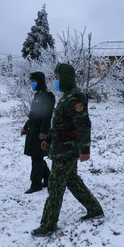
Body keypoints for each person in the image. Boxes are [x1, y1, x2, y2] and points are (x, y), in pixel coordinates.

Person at [31, 63, 104, 237]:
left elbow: (83, 124)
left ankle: (48, 224)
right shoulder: (66, 96)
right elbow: (60, 124)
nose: (55, 81)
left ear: (66, 78)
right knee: (72, 180)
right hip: (61, 147)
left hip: (67, 150)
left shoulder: (75, 97)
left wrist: (85, 149)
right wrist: (48, 139)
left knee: (55, 186)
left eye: (57, 78)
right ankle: (94, 209)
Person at [21, 71, 55, 194]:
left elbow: (47, 115)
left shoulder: (48, 95)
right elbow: (33, 114)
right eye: (31, 81)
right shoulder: (38, 95)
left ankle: (36, 184)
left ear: (40, 81)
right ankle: (47, 178)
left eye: (34, 81)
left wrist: (44, 131)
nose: (32, 84)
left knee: (37, 157)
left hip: (40, 131)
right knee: (37, 156)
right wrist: (25, 127)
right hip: (33, 130)